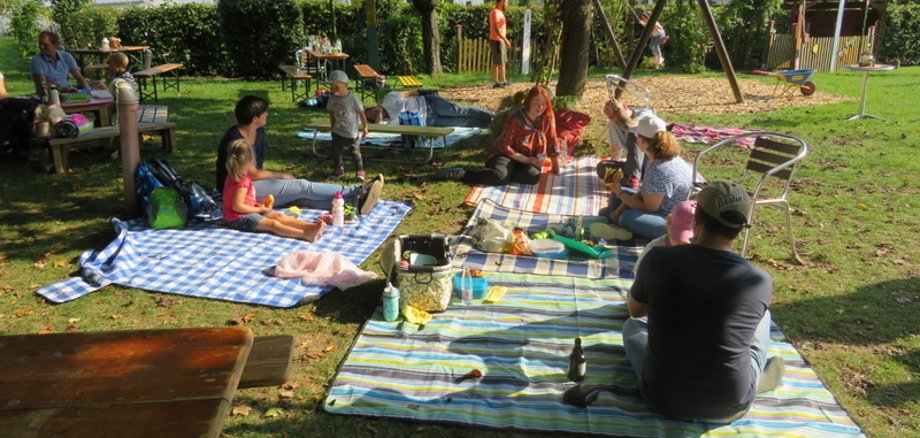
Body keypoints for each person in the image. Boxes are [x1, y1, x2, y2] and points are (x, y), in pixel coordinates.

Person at [622, 181, 785, 422]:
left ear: (696, 217)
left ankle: (752, 381)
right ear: (741, 226)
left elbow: (635, 311)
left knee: (631, 328)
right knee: (764, 318)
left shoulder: (658, 258)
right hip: (730, 406)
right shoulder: (759, 281)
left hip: (663, 399)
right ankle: (753, 381)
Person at [216, 96, 383, 215]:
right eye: (264, 113)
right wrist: (282, 175)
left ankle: (355, 204)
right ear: (255, 118)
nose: (267, 115)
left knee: (300, 198)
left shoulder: (258, 132)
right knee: (302, 186)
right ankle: (356, 190)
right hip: (239, 190)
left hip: (253, 184)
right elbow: (252, 173)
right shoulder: (234, 140)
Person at [438, 86, 560, 186]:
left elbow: (552, 139)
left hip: (527, 157)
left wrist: (555, 165)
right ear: (528, 102)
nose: (540, 107)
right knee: (500, 177)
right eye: (536, 103)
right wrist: (527, 160)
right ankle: (463, 173)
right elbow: (504, 145)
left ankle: (503, 173)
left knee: (533, 177)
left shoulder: (548, 117)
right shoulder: (516, 118)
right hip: (504, 153)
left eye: (544, 104)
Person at [604, 115, 692, 240]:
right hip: (660, 206)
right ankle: (615, 218)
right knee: (617, 199)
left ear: (644, 142)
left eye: (637, 137)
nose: (635, 140)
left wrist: (620, 192)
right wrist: (620, 207)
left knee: (626, 218)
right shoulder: (657, 159)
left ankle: (622, 223)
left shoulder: (659, 170)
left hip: (669, 221)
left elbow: (649, 207)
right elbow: (645, 192)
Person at [223, 139, 325, 241]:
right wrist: (260, 210)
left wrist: (260, 205)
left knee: (278, 215)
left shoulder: (239, 176)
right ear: (251, 160)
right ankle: (305, 234)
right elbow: (237, 206)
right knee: (273, 224)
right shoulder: (242, 180)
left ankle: (312, 226)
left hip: (247, 211)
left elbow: (243, 201)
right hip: (237, 218)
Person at [596, 99, 656, 189]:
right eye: (611, 117)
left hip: (651, 165)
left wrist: (620, 114)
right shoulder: (613, 124)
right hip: (634, 166)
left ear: (625, 106)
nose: (615, 119)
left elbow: (630, 126)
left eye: (616, 113)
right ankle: (632, 179)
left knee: (634, 133)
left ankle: (633, 179)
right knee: (601, 167)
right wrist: (611, 171)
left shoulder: (645, 113)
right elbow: (615, 150)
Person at [631, 199, 696, 276]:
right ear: (668, 222)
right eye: (679, 237)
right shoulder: (654, 249)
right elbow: (639, 273)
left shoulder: (698, 250)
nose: (683, 243)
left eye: (690, 239)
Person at [365, 90, 493, 128]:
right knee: (461, 122)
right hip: (429, 121)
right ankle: (491, 125)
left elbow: (410, 93)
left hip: (430, 103)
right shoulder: (387, 121)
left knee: (460, 111)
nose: (371, 114)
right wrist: (379, 115)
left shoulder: (389, 98)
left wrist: (429, 92)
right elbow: (378, 128)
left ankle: (494, 116)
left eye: (369, 111)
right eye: (370, 116)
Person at [325, 70, 368, 181]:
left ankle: (360, 171)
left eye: (336, 87)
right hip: (337, 131)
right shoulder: (332, 98)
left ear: (346, 85)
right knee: (335, 151)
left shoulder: (353, 99)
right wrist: (332, 128)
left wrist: (365, 128)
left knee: (355, 153)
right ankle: (339, 170)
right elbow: (331, 114)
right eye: (331, 87)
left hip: (352, 133)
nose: (333, 90)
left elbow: (362, 113)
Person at [489, 0, 512, 88]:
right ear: (501, 1)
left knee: (502, 61)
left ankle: (503, 80)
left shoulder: (500, 12)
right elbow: (496, 29)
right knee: (497, 62)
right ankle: (495, 82)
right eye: (506, 2)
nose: (507, 4)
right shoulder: (495, 12)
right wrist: (505, 39)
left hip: (500, 40)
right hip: (496, 40)